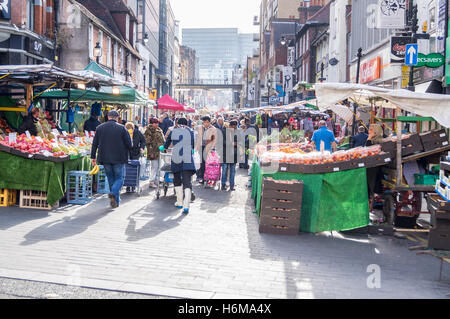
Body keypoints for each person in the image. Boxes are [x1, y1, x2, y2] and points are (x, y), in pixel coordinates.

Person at [91, 110, 132, 209]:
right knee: (120, 178)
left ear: (108, 117)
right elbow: (130, 144)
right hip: (119, 158)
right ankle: (113, 193)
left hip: (104, 158)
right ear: (117, 118)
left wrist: (93, 157)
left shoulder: (100, 128)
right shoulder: (122, 128)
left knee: (110, 178)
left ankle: (116, 201)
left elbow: (94, 144)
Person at [159, 118, 196, 214]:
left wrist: (163, 147)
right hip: (187, 157)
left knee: (177, 179)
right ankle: (186, 206)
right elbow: (192, 144)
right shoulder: (190, 132)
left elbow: (167, 143)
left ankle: (179, 202)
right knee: (187, 181)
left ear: (177, 123)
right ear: (187, 124)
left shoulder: (174, 131)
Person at [145, 118, 165, 188]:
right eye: (155, 123)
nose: (157, 124)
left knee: (160, 166)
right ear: (152, 123)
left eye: (157, 123)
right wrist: (151, 153)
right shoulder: (149, 130)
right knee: (154, 167)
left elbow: (162, 140)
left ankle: (157, 180)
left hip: (160, 151)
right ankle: (151, 181)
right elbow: (148, 143)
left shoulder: (159, 130)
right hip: (153, 151)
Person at [196, 116, 216, 184]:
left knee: (209, 163)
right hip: (201, 147)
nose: (206, 123)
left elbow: (215, 140)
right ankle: (202, 177)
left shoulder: (213, 129)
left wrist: (211, 148)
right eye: (205, 122)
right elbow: (198, 138)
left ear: (210, 122)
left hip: (210, 148)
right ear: (203, 122)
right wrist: (196, 148)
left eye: (208, 122)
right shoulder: (200, 128)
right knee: (202, 163)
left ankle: (209, 177)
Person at [221, 120, 239, 191]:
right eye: (233, 127)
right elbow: (222, 142)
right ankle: (223, 185)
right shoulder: (224, 132)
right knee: (224, 171)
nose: (234, 128)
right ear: (230, 126)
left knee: (233, 171)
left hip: (234, 155)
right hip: (225, 155)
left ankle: (232, 185)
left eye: (235, 127)